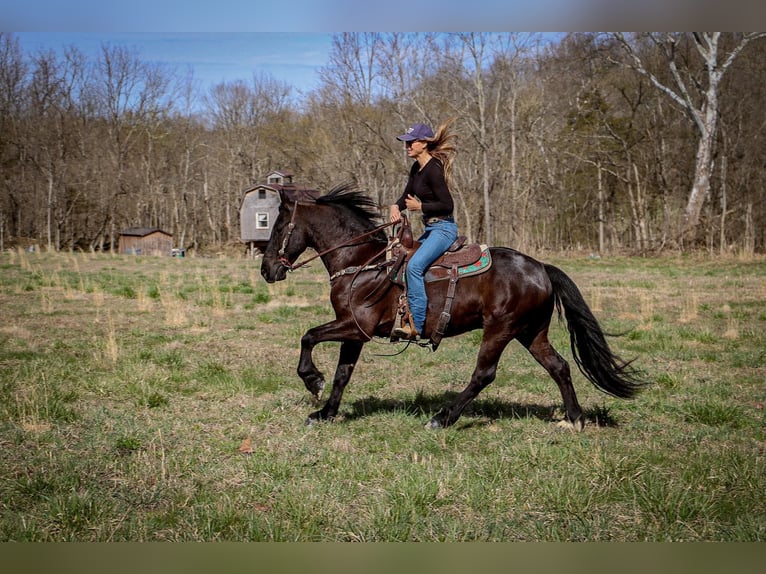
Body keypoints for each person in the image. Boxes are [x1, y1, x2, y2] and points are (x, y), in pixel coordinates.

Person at [389, 120, 459, 340]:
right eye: (406, 142)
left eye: (411, 142)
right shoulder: (416, 169)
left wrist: (420, 207)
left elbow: (447, 205)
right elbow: (406, 196)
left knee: (414, 267)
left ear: (423, 144)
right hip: (430, 228)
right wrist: (395, 206)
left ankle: (417, 325)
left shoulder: (433, 169)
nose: (407, 146)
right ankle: (404, 313)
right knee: (402, 260)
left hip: (444, 229)